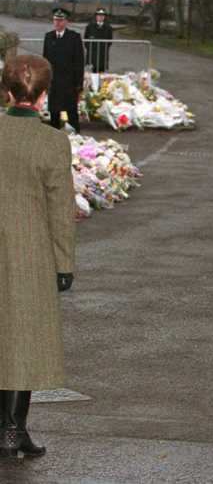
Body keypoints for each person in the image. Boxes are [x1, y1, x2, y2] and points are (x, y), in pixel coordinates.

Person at [0, 55, 76, 459]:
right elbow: (60, 209)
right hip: (29, 252)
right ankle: (12, 432)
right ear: (44, 95)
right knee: (22, 339)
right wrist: (64, 263)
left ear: (5, 90)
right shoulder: (52, 141)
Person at [42, 7, 84, 133]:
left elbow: (79, 62)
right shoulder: (49, 37)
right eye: (55, 20)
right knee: (54, 113)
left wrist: (79, 84)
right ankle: (54, 140)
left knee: (71, 113)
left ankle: (76, 137)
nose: (57, 23)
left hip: (69, 83)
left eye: (60, 20)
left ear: (66, 22)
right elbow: (45, 61)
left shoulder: (74, 37)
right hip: (54, 83)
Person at [84, 8, 113, 73]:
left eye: (102, 15)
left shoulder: (108, 28)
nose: (100, 17)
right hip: (92, 53)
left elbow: (110, 42)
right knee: (91, 73)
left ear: (104, 17)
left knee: (102, 73)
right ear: (96, 16)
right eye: (99, 15)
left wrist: (103, 48)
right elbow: (86, 39)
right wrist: (90, 48)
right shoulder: (90, 26)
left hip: (102, 54)